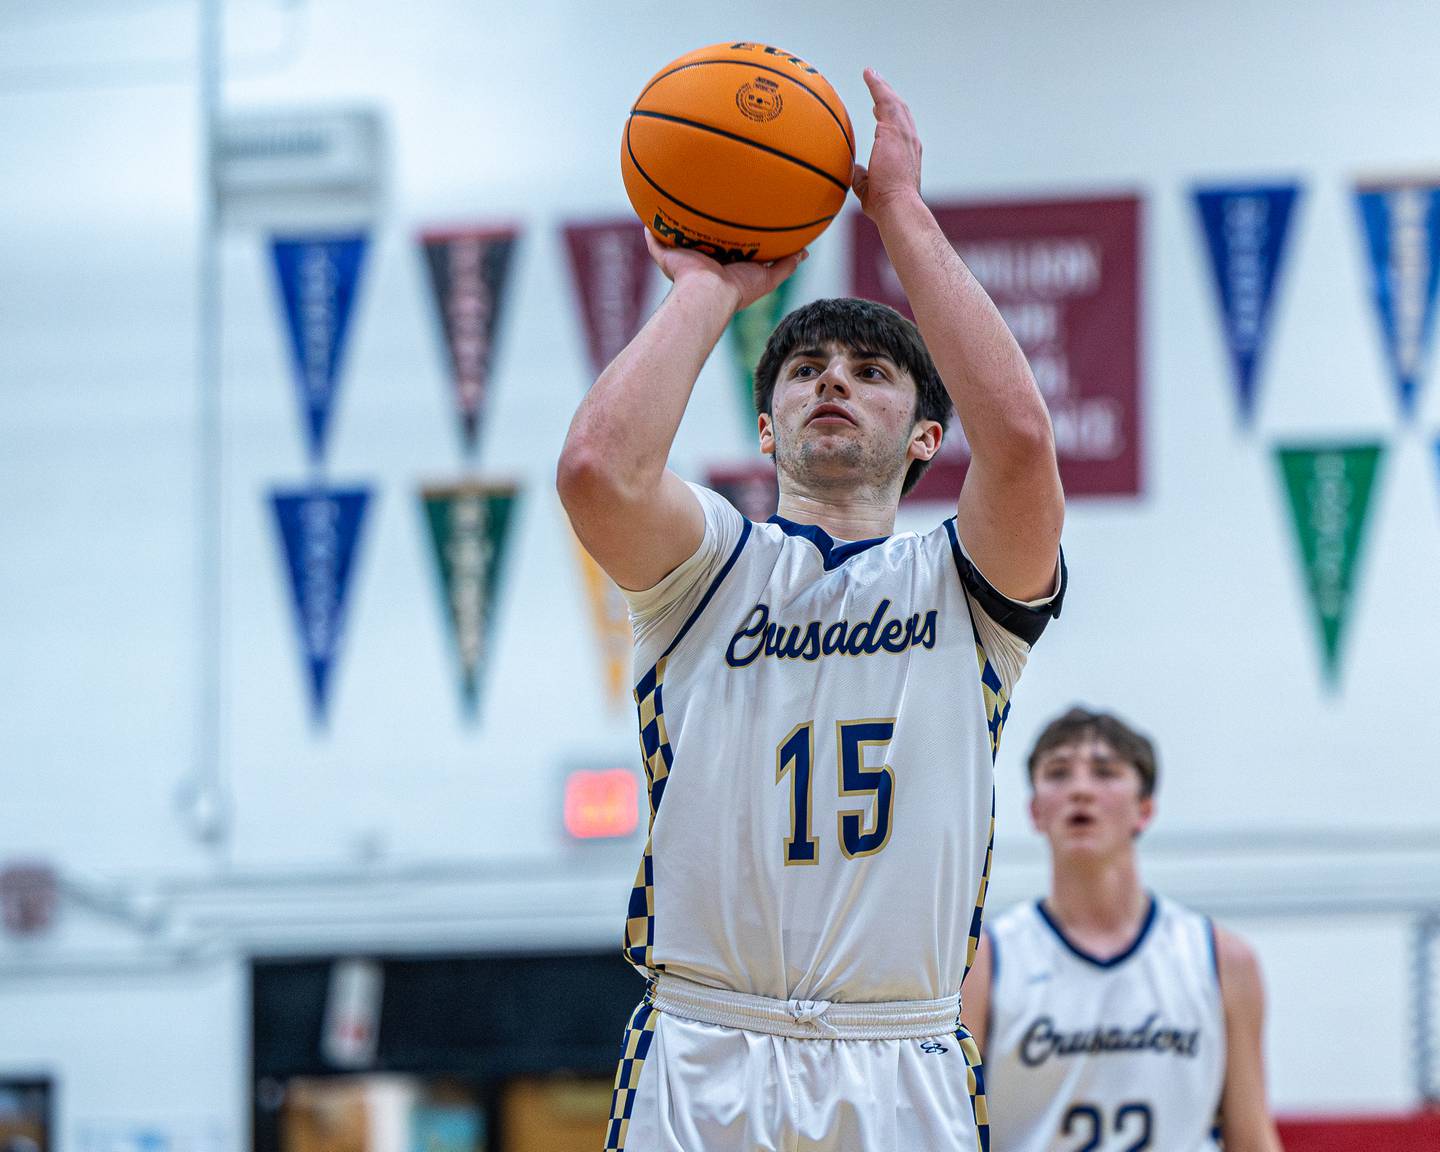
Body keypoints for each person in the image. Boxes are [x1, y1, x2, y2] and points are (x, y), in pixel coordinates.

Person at [558, 68, 1065, 1151]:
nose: (833, 381)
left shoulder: (963, 588)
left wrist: (899, 212)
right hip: (706, 1045)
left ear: (928, 436)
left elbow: (1020, 443)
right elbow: (597, 469)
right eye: (805, 371)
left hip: (905, 1052)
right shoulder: (705, 566)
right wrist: (707, 286)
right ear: (769, 427)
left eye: (873, 371)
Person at [961, 708, 1283, 1152]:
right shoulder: (983, 962)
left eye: (1104, 772)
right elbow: (953, 1133)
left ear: (1144, 809)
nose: (1080, 790)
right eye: (1058, 773)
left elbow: (1250, 1138)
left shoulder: (1224, 959)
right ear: (1035, 811)